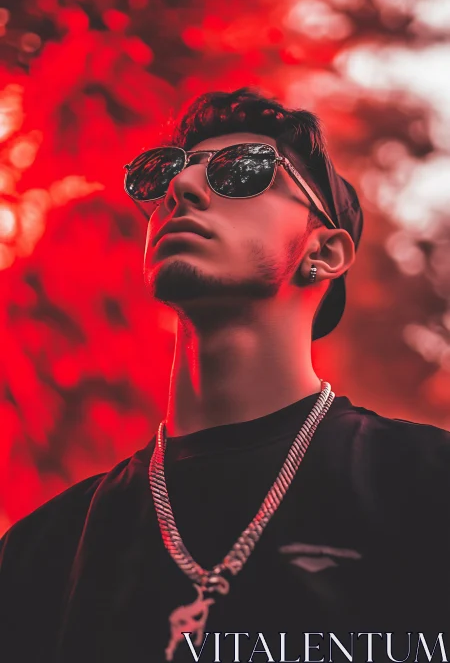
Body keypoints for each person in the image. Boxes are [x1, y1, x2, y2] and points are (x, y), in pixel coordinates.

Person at [1, 87, 449, 663]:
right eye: (165, 177)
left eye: (242, 173)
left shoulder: (426, 487)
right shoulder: (44, 551)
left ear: (327, 252)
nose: (182, 190)